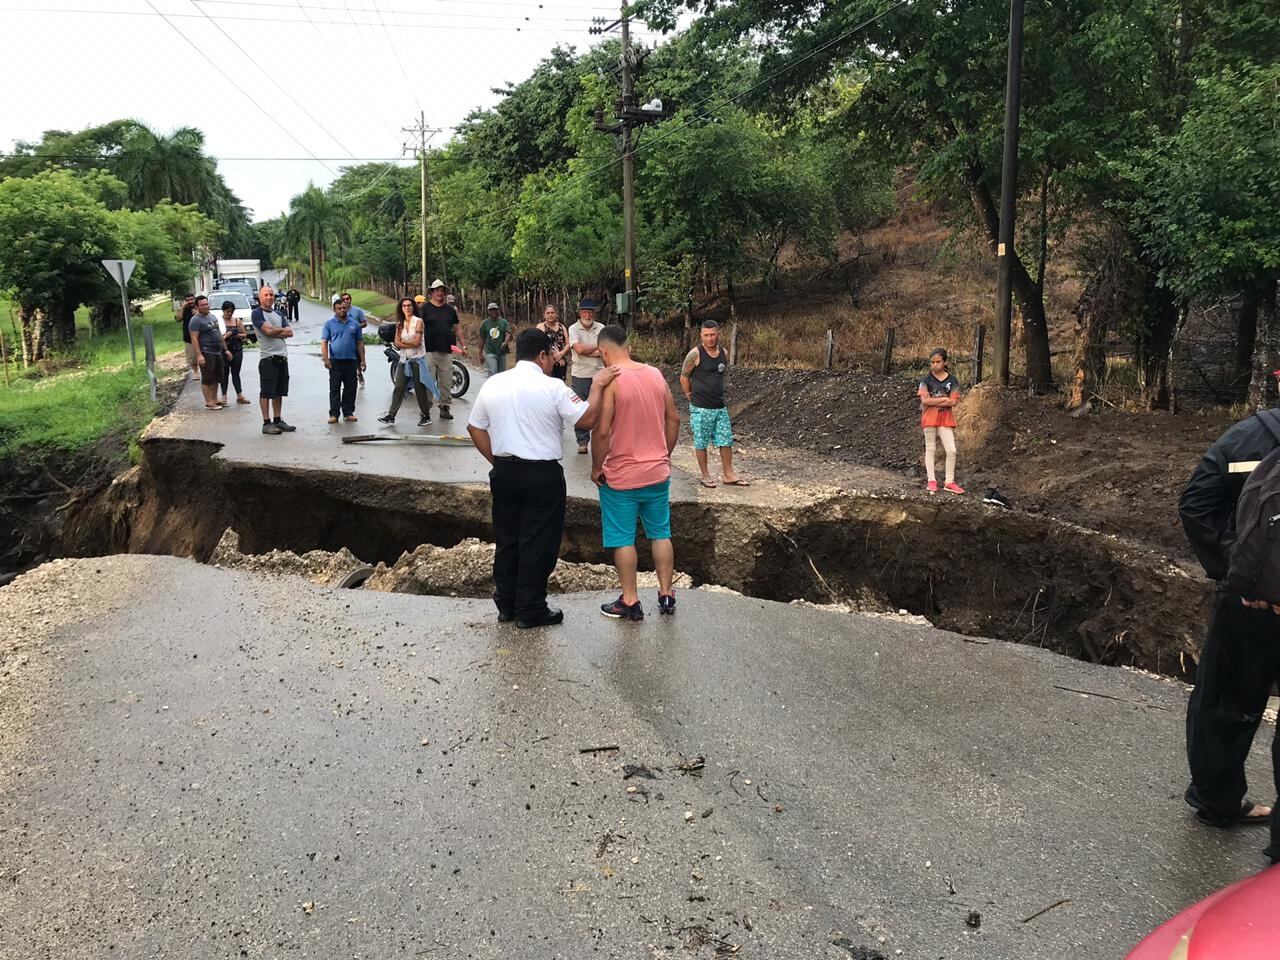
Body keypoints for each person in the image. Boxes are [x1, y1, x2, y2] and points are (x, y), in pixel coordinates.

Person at [466, 328, 618, 629]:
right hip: (541, 475)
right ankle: (531, 608)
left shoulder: (494, 384)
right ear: (542, 356)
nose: (552, 362)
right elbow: (587, 419)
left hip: (505, 472)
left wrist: (497, 461)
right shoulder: (553, 388)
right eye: (551, 356)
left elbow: (475, 428)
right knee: (538, 541)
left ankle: (507, 605)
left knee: (508, 539)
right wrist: (598, 386)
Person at [1179, 408, 1280, 862]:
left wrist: (1238, 571)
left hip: (1247, 604)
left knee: (1223, 698)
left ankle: (1217, 800)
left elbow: (1196, 504)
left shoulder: (1246, 437)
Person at [591, 324, 681, 621]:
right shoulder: (655, 374)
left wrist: (595, 468)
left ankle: (630, 601)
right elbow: (674, 420)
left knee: (623, 539)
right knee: (660, 533)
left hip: (621, 477)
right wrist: (663, 455)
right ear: (627, 347)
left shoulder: (612, 381)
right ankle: (666, 595)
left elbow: (602, 433)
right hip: (657, 473)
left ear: (603, 352)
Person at [680, 320, 747, 488]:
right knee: (701, 442)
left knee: (726, 440)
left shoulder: (723, 352)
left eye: (712, 335)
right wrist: (690, 396)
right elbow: (684, 377)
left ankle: (728, 473)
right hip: (701, 408)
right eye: (706, 335)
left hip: (719, 406)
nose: (710, 338)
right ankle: (705, 474)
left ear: (718, 334)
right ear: (701, 336)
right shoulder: (695, 354)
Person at [379, 296, 436, 426]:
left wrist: (403, 342)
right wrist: (406, 343)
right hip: (404, 360)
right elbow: (396, 343)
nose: (407, 308)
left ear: (413, 307)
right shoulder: (400, 323)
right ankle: (391, 416)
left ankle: (426, 416)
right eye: (404, 306)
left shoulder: (419, 321)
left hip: (417, 360)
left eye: (409, 305)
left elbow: (416, 342)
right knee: (399, 387)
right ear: (401, 308)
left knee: (420, 389)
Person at [917, 348, 964, 494]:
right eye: (932, 362)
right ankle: (931, 480)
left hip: (945, 418)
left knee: (951, 450)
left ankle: (949, 481)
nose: (935, 365)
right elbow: (924, 400)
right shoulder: (925, 380)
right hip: (929, 417)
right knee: (930, 448)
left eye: (938, 362)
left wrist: (935, 400)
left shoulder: (952, 380)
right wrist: (944, 399)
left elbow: (954, 402)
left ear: (945, 362)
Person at [251, 286, 296, 435]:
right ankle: (266, 423)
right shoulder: (257, 314)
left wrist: (274, 331)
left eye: (271, 295)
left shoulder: (278, 313)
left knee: (279, 391)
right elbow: (267, 332)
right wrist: (279, 331)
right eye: (266, 295)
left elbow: (290, 332)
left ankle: (278, 420)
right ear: (260, 297)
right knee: (266, 391)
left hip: (282, 357)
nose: (269, 297)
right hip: (268, 358)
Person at [418, 279, 465, 421]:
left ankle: (445, 408)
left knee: (446, 382)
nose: (440, 293)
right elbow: (418, 326)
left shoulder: (450, 310)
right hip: (429, 351)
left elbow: (457, 327)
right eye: (437, 290)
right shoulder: (424, 309)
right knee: (429, 382)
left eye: (442, 290)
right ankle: (426, 410)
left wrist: (464, 345)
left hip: (446, 351)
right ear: (432, 292)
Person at [567, 299, 604, 454]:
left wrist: (585, 350)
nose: (588, 315)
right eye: (584, 312)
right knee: (581, 408)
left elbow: (604, 350)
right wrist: (596, 347)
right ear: (580, 313)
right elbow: (579, 349)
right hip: (580, 374)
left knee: (601, 407)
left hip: (599, 373)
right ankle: (582, 441)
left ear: (594, 313)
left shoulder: (601, 328)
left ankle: (601, 440)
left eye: (590, 312)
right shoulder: (573, 329)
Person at [320, 298, 366, 423]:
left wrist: (362, 360)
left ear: (347, 308)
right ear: (334, 310)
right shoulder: (329, 324)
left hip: (351, 361)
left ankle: (348, 412)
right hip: (335, 361)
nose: (342, 310)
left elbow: (359, 343)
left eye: (344, 308)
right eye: (339, 308)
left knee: (350, 388)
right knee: (334, 388)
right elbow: (324, 342)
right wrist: (326, 359)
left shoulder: (354, 324)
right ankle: (334, 414)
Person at [188, 296, 232, 410]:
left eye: (206, 304)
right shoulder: (195, 320)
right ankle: (208, 402)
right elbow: (194, 339)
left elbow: (218, 333)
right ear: (197, 307)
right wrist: (199, 355)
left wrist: (225, 349)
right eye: (202, 305)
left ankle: (215, 399)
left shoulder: (212, 317)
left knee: (217, 377)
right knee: (208, 377)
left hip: (217, 351)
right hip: (206, 351)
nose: (205, 306)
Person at [217, 299, 250, 405]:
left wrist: (237, 335)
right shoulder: (219, 322)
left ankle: (240, 395)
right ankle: (223, 397)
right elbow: (218, 337)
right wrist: (227, 334)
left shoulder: (237, 321)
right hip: (224, 350)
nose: (229, 314)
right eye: (227, 311)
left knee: (236, 373)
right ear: (223, 311)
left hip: (236, 349)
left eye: (231, 311)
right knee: (224, 373)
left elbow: (245, 334)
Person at [536, 305, 571, 382]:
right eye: (548, 313)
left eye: (552, 313)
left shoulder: (562, 327)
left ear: (556, 314)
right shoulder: (541, 327)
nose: (550, 315)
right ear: (544, 315)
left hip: (561, 362)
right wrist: (554, 356)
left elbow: (568, 344)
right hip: (546, 362)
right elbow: (538, 345)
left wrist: (561, 354)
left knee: (559, 385)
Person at [478, 303, 512, 375]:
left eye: (494, 309)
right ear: (488, 311)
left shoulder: (504, 322)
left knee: (501, 374)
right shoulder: (484, 323)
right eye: (491, 310)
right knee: (493, 372)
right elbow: (481, 339)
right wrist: (480, 353)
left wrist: (505, 342)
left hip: (501, 352)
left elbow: (508, 333)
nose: (493, 311)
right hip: (490, 352)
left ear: (498, 310)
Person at [177, 293, 198, 381]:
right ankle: (196, 372)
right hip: (188, 337)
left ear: (194, 300)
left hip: (200, 336)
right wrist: (182, 308)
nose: (190, 302)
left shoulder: (199, 308)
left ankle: (204, 371)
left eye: (191, 299)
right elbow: (178, 319)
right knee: (192, 357)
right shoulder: (184, 310)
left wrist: (198, 312)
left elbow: (207, 315)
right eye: (188, 300)